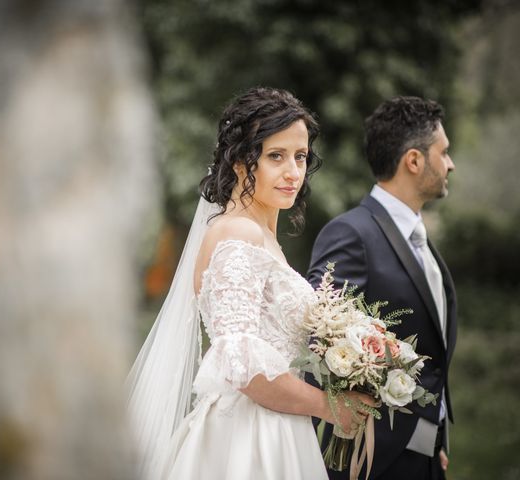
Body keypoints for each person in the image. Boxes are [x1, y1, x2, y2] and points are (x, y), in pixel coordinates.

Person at [126, 87, 374, 479]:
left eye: (300, 157)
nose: (293, 172)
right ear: (241, 162)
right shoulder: (239, 235)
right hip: (249, 440)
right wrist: (328, 406)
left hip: (278, 428)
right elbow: (242, 368)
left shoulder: (258, 236)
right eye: (276, 156)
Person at [307, 96, 457, 480]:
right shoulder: (351, 233)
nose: (450, 164)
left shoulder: (420, 239)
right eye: (444, 153)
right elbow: (317, 345)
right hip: (373, 461)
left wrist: (435, 442)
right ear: (413, 160)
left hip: (427, 460)